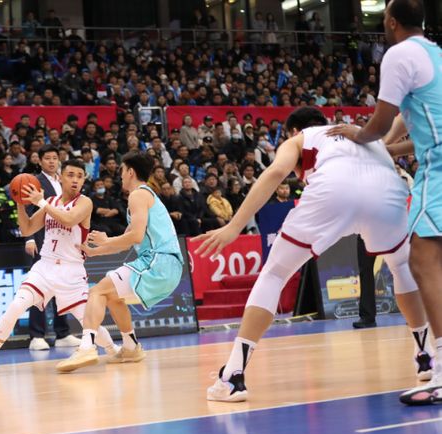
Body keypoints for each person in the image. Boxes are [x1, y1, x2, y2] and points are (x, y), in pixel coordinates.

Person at [195, 107, 433, 402]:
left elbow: (276, 172)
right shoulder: (362, 134)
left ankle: (233, 376)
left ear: (294, 130)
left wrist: (234, 226)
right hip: (387, 191)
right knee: (400, 268)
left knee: (274, 273)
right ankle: (425, 356)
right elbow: (409, 126)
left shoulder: (301, 138)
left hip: (333, 192)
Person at [326, 0, 442, 405]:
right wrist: (390, 149)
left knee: (422, 259)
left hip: (438, 169)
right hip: (434, 156)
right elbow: (416, 124)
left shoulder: (399, 54)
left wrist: (357, 134)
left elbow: (381, 119)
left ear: (391, 22)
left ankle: (441, 369)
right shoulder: (435, 54)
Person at [0, 159, 119, 374]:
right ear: (60, 177)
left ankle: (113, 350)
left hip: (71, 271)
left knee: (88, 321)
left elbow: (69, 220)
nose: (75, 180)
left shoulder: (84, 202)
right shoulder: (51, 201)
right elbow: (27, 229)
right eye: (71, 175)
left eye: (80, 176)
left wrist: (41, 202)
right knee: (15, 307)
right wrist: (20, 203)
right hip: (45, 266)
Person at [56, 152, 184, 373]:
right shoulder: (144, 196)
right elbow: (126, 242)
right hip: (167, 266)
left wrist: (106, 240)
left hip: (158, 262)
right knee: (113, 297)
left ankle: (86, 347)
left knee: (97, 291)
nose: (121, 176)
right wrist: (95, 251)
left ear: (131, 172)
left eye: (123, 171)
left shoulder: (138, 195)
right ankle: (131, 347)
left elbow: (135, 236)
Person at [25, 147, 81, 350]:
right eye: (47, 158)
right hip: (42, 241)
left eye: (54, 158)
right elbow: (27, 210)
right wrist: (29, 238)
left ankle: (62, 333)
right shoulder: (34, 181)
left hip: (64, 243)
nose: (51, 161)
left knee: (62, 287)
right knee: (39, 288)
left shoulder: (65, 181)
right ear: (39, 161)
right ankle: (36, 336)